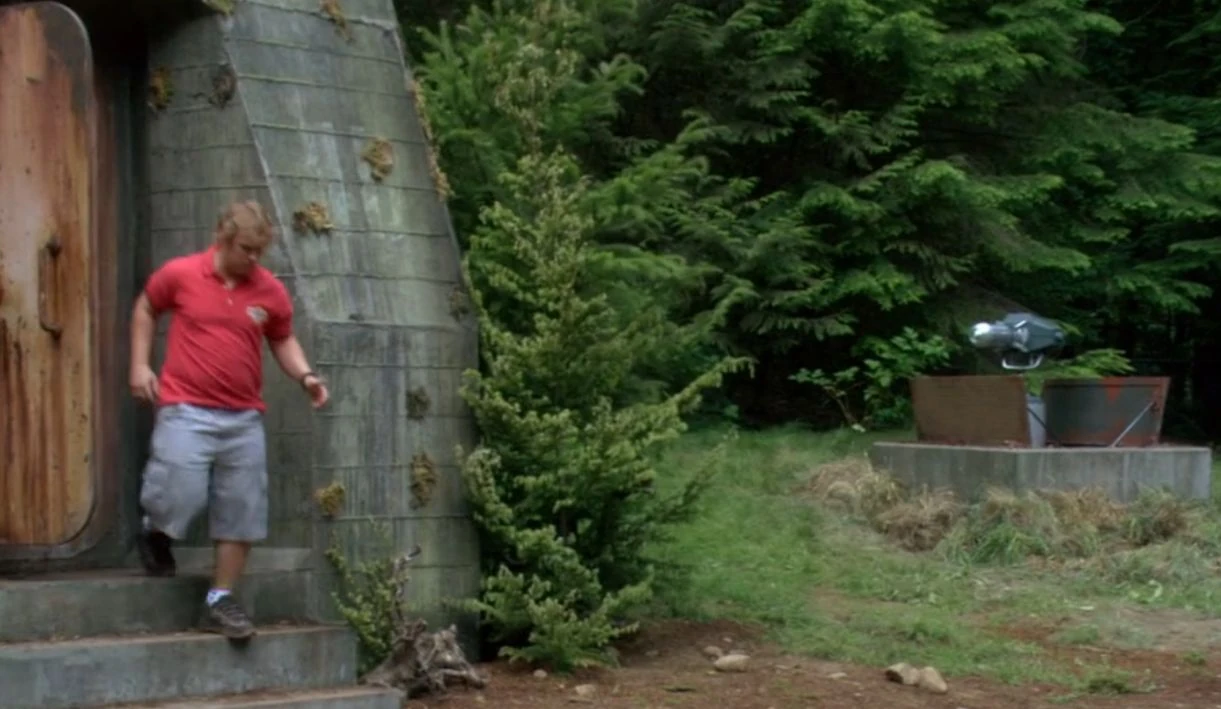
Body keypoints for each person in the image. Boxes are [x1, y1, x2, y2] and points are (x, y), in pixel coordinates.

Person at [128, 200, 329, 641]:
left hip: (242, 418)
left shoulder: (269, 290)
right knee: (178, 492)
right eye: (246, 249)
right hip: (186, 408)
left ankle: (220, 598)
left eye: (260, 251)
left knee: (242, 508)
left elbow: (282, 338)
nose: (253, 259)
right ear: (222, 237)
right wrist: (140, 366)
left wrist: (306, 376)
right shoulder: (181, 274)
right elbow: (146, 307)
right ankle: (155, 531)